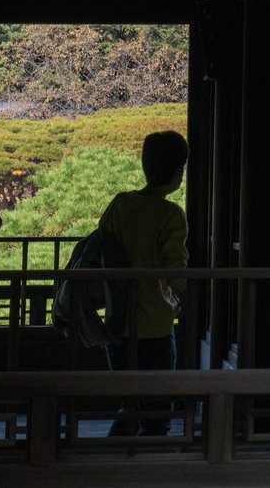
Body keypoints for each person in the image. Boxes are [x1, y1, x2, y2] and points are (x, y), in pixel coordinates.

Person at [95, 131, 189, 433]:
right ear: (177, 173)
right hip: (155, 324)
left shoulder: (120, 204)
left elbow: (102, 246)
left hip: (118, 320)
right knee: (157, 406)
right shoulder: (171, 214)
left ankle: (116, 462)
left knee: (129, 401)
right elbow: (177, 275)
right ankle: (151, 466)